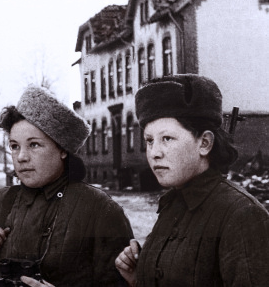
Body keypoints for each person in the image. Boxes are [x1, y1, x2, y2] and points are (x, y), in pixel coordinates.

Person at [0, 85, 134, 287]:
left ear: (62, 149)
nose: (21, 157)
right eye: (14, 146)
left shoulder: (100, 211)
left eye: (34, 145)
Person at [115, 74, 269, 287]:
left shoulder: (241, 215)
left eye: (167, 139)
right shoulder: (172, 206)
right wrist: (139, 278)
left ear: (204, 143)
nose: (154, 153)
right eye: (149, 141)